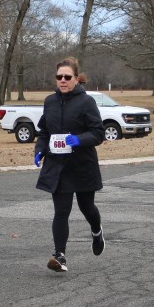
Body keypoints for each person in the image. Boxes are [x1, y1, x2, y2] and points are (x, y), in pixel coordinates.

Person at [33, 58, 106, 273]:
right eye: (59, 77)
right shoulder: (50, 102)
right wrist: (40, 150)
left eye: (67, 77)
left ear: (76, 79)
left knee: (86, 207)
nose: (63, 80)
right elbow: (44, 131)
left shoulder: (86, 102)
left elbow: (98, 133)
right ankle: (60, 256)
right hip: (58, 165)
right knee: (61, 211)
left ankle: (96, 231)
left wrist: (79, 139)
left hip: (82, 165)